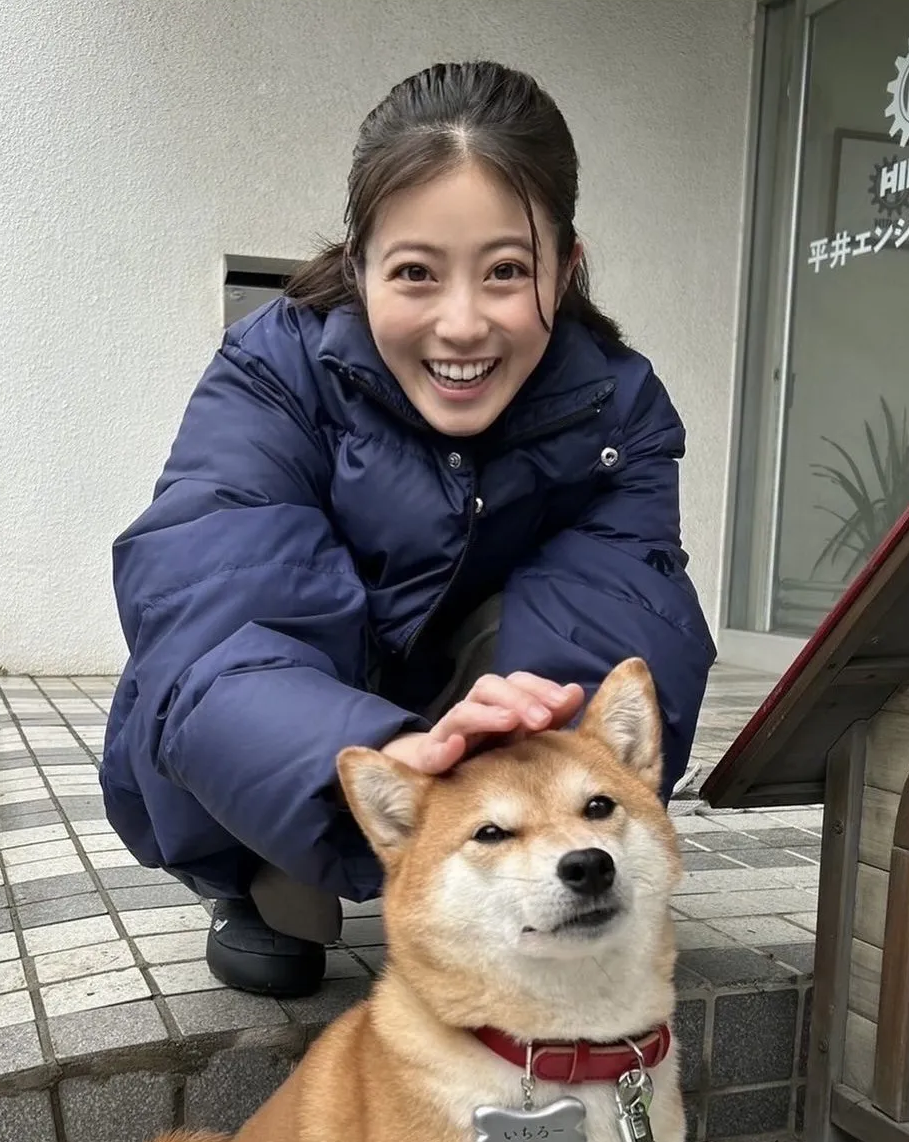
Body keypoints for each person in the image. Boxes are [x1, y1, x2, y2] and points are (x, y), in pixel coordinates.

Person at [101, 60, 716, 997]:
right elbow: (211, 609)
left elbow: (621, 608)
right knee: (201, 685)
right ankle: (265, 880)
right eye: (417, 274)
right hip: (337, 706)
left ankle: (495, 877)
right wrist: (385, 758)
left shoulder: (618, 410)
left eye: (507, 271)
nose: (461, 325)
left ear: (568, 265)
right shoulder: (272, 371)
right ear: (359, 267)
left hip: (481, 719)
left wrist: (535, 761)